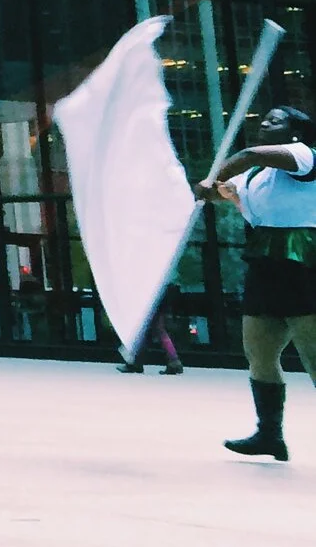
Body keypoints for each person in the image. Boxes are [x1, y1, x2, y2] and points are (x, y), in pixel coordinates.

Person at [200, 105, 316, 460]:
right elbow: (221, 194)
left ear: (296, 131)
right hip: (265, 263)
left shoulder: (304, 156)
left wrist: (217, 175)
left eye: (275, 120)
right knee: (259, 352)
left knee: (313, 353)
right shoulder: (255, 176)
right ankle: (269, 434)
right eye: (264, 119)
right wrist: (209, 189)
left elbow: (249, 154)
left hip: (303, 262)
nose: (265, 123)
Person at [116, 286, 186, 377]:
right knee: (154, 330)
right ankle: (173, 361)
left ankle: (136, 362)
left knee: (145, 329)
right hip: (158, 296)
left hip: (151, 296)